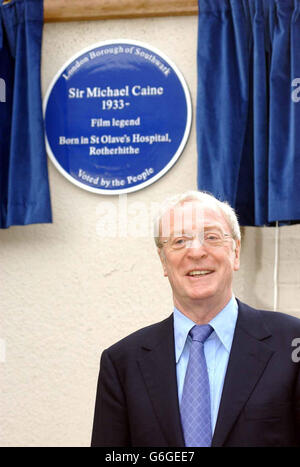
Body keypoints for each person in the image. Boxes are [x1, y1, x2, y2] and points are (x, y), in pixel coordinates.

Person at [91, 190, 300, 447]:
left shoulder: (292, 343)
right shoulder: (122, 362)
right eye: (179, 241)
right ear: (163, 262)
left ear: (235, 252)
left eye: (211, 237)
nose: (196, 252)